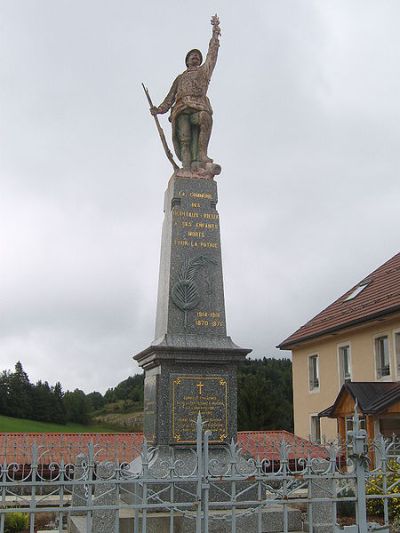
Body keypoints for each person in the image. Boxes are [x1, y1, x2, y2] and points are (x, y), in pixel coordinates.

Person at [151, 15, 221, 171]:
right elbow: (169, 99)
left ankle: (202, 155)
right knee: (185, 139)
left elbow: (212, 55)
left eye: (197, 55)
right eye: (192, 55)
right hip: (181, 109)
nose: (195, 57)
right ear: (187, 60)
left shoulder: (204, 72)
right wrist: (159, 109)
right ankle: (186, 168)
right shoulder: (180, 78)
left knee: (205, 118)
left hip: (199, 106)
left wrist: (215, 34)